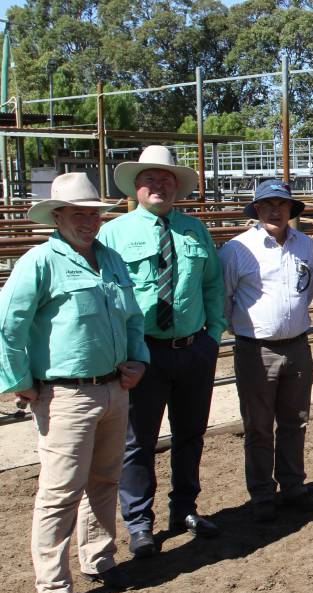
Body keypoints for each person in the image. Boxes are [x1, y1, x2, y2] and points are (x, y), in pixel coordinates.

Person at [0, 173, 149, 593]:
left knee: (104, 480)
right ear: (58, 216)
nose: (89, 221)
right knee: (60, 491)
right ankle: (54, 587)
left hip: (112, 387)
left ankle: (100, 559)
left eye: (93, 213)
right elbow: (9, 323)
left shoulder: (111, 259)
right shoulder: (40, 261)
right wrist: (18, 380)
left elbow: (133, 318)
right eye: (79, 213)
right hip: (66, 393)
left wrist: (138, 360)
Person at [98, 145, 226, 558]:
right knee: (139, 442)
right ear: (136, 186)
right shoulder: (112, 234)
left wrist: (213, 337)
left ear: (177, 186)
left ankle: (184, 509)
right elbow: (105, 298)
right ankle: (139, 523)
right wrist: (122, 352)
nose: (159, 184)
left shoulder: (194, 230)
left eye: (167, 178)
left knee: (191, 435)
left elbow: (212, 286)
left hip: (192, 350)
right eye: (151, 178)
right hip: (143, 354)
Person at [220, 180, 313, 522]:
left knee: (295, 421)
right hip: (257, 349)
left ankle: (293, 486)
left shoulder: (305, 246)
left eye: (281, 204)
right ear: (256, 210)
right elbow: (224, 298)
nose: (274, 210)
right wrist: (240, 329)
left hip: (297, 345)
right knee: (258, 425)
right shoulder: (238, 249)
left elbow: (308, 286)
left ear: (290, 209)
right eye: (267, 204)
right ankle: (262, 493)